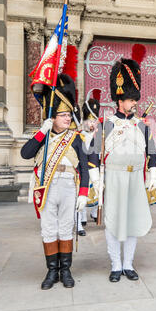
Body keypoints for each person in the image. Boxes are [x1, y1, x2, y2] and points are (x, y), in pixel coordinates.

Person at [21, 74, 98, 290]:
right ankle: (51, 271)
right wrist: (41, 132)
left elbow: (84, 166)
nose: (67, 118)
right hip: (46, 186)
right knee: (48, 229)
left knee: (66, 228)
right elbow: (25, 154)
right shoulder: (44, 136)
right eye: (62, 115)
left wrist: (84, 193)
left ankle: (66, 270)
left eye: (68, 115)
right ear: (52, 117)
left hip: (67, 185)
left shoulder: (75, 138)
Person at [92, 44, 156, 282]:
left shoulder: (142, 125)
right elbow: (93, 155)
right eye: (130, 99)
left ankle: (128, 264)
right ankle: (115, 265)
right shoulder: (106, 124)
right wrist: (96, 180)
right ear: (120, 99)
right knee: (113, 221)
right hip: (114, 177)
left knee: (132, 221)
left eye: (134, 99)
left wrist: (153, 174)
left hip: (134, 178)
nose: (134, 103)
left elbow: (152, 151)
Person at [76, 90, 101, 236]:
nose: (92, 123)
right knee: (82, 195)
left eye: (94, 121)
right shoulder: (81, 134)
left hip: (96, 166)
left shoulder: (99, 134)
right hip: (83, 168)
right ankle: (80, 222)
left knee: (96, 191)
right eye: (90, 121)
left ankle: (94, 212)